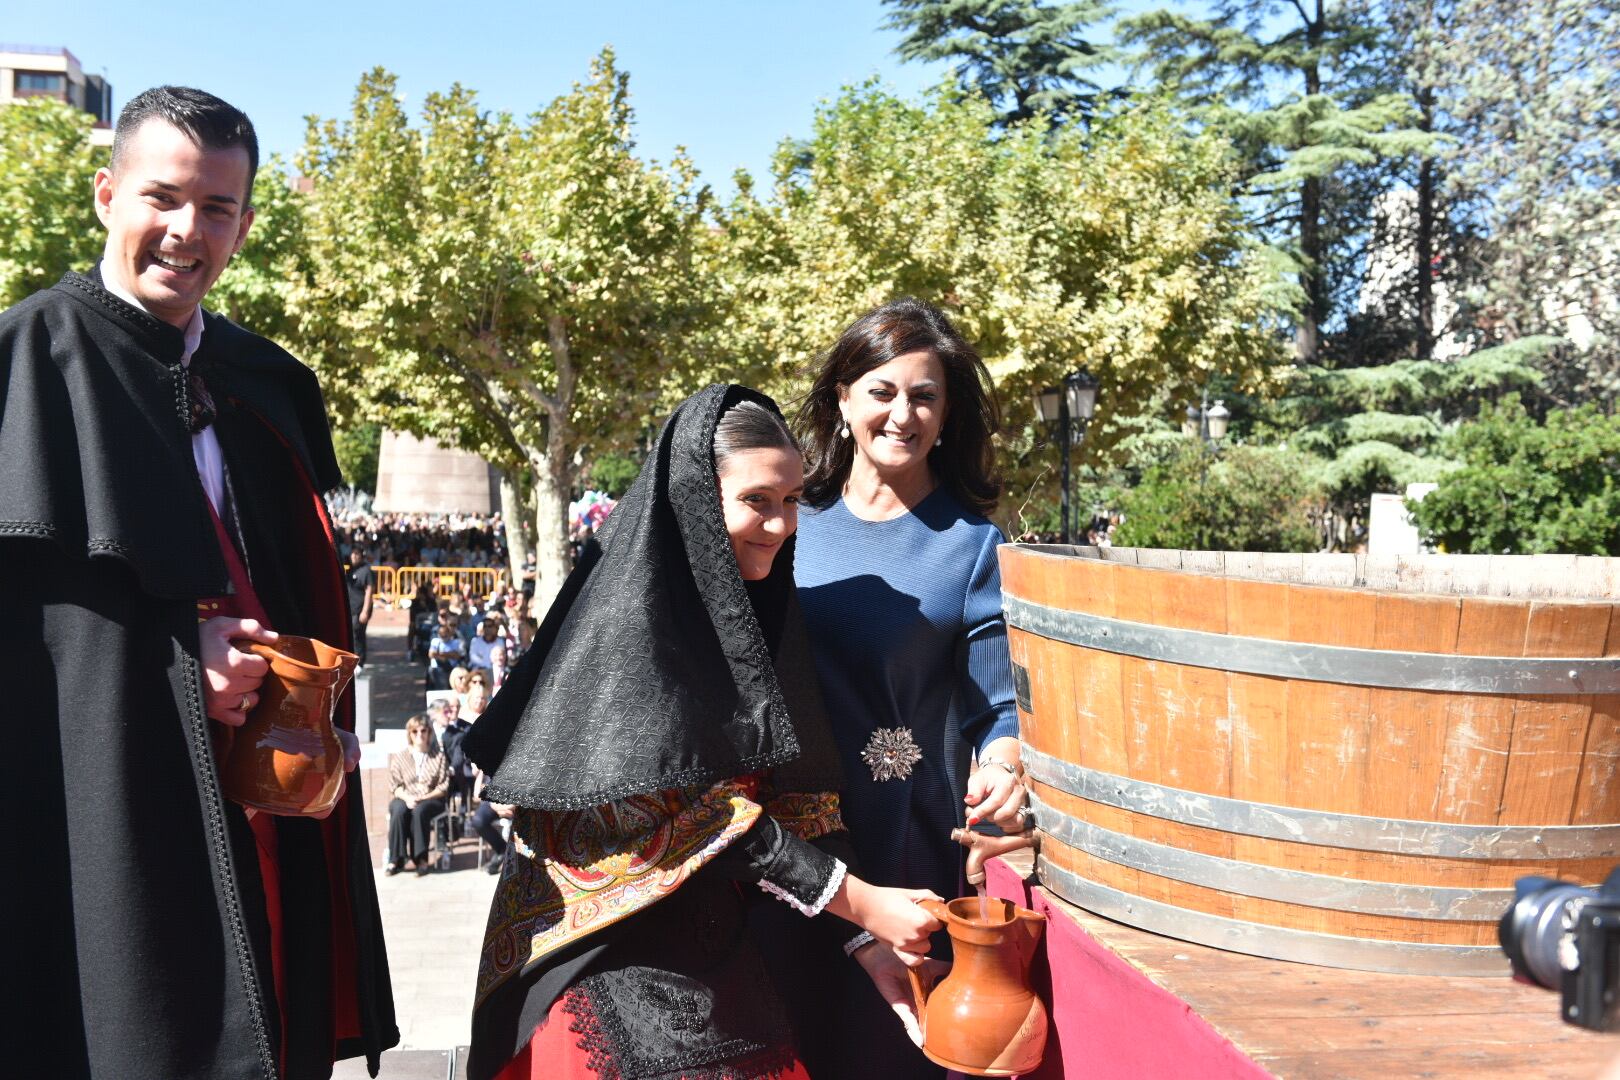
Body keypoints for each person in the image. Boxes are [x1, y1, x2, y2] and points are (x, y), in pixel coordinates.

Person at [1, 86, 397, 1078]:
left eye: (217, 209)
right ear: (105, 193)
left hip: (264, 807)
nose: (187, 232)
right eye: (162, 197)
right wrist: (178, 660)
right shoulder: (21, 361)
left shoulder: (265, 381)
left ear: (247, 223)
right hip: (104, 809)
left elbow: (300, 586)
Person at [460, 386, 944, 1080]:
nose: (779, 526)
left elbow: (797, 791)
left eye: (790, 501)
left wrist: (866, 936)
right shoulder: (629, 627)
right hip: (599, 961)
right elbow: (680, 816)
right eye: (756, 501)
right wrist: (859, 900)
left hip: (715, 953)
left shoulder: (760, 613)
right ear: (695, 501)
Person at [756, 297, 1028, 1079]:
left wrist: (1004, 766)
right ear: (842, 400)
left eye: (924, 395)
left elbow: (996, 701)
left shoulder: (973, 546)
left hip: (901, 843)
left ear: (946, 413)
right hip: (780, 843)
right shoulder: (784, 522)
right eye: (881, 390)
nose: (902, 413)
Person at [386, 715, 450, 877]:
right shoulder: (400, 757)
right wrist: (407, 798)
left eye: (423, 730)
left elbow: (443, 787)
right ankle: (396, 859)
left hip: (432, 798)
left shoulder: (439, 756)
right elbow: (394, 786)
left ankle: (421, 859)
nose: (419, 734)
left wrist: (424, 797)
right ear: (410, 734)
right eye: (415, 731)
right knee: (398, 809)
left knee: (420, 811)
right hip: (406, 796)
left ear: (429, 733)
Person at [346, 545, 375, 666]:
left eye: (357, 554)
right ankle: (352, 659)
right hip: (351, 607)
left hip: (360, 608)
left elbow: (369, 590)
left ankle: (360, 661)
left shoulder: (366, 571)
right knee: (351, 634)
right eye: (352, 553)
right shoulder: (350, 570)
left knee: (357, 634)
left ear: (361, 556)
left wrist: (365, 611)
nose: (354, 556)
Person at [428, 620, 466, 689]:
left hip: (453, 668)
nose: (443, 636)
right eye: (441, 634)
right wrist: (449, 654)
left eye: (445, 634)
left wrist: (439, 654)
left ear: (449, 633)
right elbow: (431, 654)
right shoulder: (435, 641)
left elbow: (457, 656)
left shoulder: (456, 642)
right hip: (438, 668)